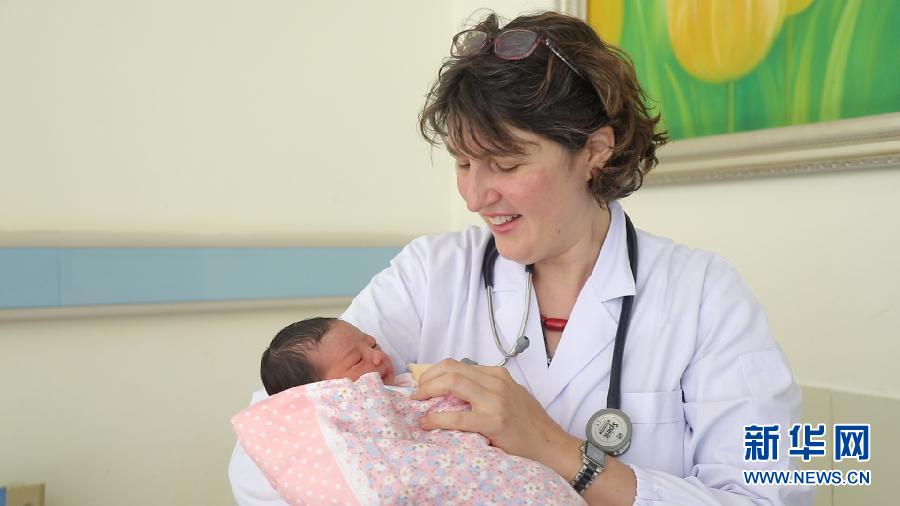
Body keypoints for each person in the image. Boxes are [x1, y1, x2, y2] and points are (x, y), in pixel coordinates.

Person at [230, 11, 813, 505]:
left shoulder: (703, 294)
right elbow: (270, 448)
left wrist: (557, 450)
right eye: (463, 163)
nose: (475, 196)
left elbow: (769, 496)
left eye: (506, 165)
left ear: (595, 150)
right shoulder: (430, 274)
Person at [259, 317, 416, 394]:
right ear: (321, 390)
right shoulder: (333, 424)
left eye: (373, 344)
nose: (378, 356)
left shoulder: (411, 383)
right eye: (357, 360)